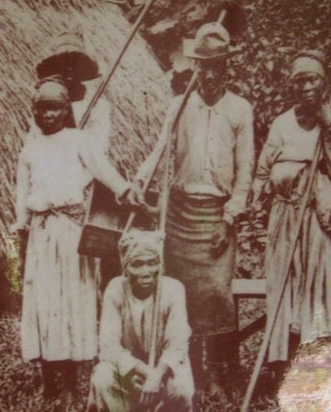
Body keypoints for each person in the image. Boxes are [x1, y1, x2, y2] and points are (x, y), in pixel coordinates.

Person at [131, 22, 254, 390]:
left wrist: (229, 218)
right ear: (194, 66)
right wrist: (140, 180)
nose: (209, 74)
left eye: (217, 66)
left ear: (226, 69)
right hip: (181, 213)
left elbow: (245, 171)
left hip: (217, 215)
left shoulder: (240, 110)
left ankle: (217, 371)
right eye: (203, 66)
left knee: (217, 294)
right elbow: (159, 149)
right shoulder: (178, 106)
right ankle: (190, 372)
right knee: (181, 295)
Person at [13, 75, 131, 401]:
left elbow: (106, 172)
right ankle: (53, 381)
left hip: (71, 234)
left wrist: (127, 192)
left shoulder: (79, 141)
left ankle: (78, 384)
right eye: (41, 109)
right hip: (41, 234)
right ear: (33, 111)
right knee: (46, 304)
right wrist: (22, 231)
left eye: (54, 109)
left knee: (76, 300)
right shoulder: (30, 149)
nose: (48, 116)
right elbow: (22, 195)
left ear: (66, 110)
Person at [251, 50, 331, 387]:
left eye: (312, 79)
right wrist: (255, 202)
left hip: (316, 220)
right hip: (284, 218)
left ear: (323, 82)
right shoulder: (282, 123)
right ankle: (281, 361)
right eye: (300, 81)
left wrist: (327, 125)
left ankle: (318, 365)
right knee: (284, 286)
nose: (307, 87)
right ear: (291, 87)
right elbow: (263, 168)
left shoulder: (329, 121)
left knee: (317, 287)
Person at [87, 230, 194, 412]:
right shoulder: (115, 289)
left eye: (152, 263)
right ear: (125, 267)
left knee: (180, 387)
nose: (146, 272)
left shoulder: (173, 289)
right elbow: (109, 346)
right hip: (127, 369)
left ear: (160, 265)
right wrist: (143, 372)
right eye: (137, 265)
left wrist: (157, 376)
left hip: (163, 368)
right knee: (102, 377)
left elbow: (177, 345)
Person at [35, 30, 111, 150]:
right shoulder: (45, 104)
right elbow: (35, 140)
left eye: (74, 64)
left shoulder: (97, 105)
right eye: (64, 64)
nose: (69, 70)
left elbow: (100, 145)